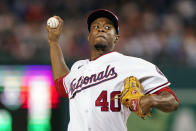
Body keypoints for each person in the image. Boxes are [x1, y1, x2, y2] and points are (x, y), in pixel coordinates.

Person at [46, 9, 179, 131]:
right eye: (95, 27)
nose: (101, 29)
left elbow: (172, 100)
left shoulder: (132, 65)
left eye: (108, 27)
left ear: (116, 38)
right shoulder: (78, 67)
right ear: (89, 36)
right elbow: (60, 85)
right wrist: (54, 42)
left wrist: (151, 100)